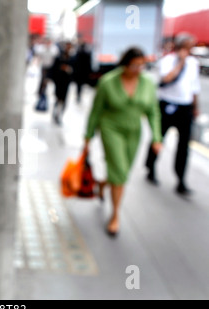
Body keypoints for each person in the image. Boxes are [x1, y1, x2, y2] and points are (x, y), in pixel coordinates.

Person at [84, 47, 163, 236]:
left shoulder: (148, 83)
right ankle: (115, 216)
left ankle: (103, 184)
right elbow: (96, 110)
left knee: (122, 172)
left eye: (142, 65)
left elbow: (153, 112)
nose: (138, 69)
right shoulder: (108, 81)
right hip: (111, 129)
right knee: (120, 173)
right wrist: (88, 137)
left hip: (134, 132)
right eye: (134, 65)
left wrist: (156, 137)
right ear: (125, 64)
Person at [145, 33, 200, 196]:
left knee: (184, 145)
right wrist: (181, 62)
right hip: (167, 104)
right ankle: (151, 168)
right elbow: (167, 79)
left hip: (185, 107)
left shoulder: (194, 63)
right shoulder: (167, 61)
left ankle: (181, 179)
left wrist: (195, 107)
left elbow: (194, 87)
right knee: (158, 137)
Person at [49, 41, 74, 124]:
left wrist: (68, 70)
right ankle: (55, 114)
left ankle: (59, 115)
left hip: (66, 83)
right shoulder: (59, 57)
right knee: (57, 99)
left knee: (63, 100)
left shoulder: (72, 58)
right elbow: (53, 68)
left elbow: (75, 70)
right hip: (59, 81)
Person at [34, 37, 59, 110]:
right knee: (43, 80)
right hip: (44, 67)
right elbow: (38, 56)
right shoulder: (42, 49)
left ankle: (45, 91)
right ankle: (41, 91)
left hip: (51, 68)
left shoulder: (54, 49)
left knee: (48, 80)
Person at [72, 36, 92, 104]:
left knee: (79, 85)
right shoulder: (82, 50)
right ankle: (78, 95)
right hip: (80, 71)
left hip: (80, 71)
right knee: (79, 85)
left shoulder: (81, 51)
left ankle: (78, 95)